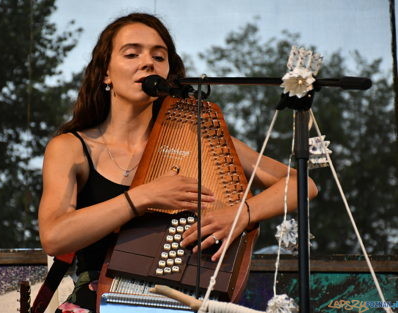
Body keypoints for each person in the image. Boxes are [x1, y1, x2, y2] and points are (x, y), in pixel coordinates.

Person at [38, 12, 318, 313]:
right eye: (132, 53)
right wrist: (144, 197)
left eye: (159, 57)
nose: (148, 62)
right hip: (95, 304)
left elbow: (302, 184)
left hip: (179, 303)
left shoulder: (202, 139)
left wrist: (241, 214)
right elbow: (54, 237)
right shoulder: (71, 148)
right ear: (106, 73)